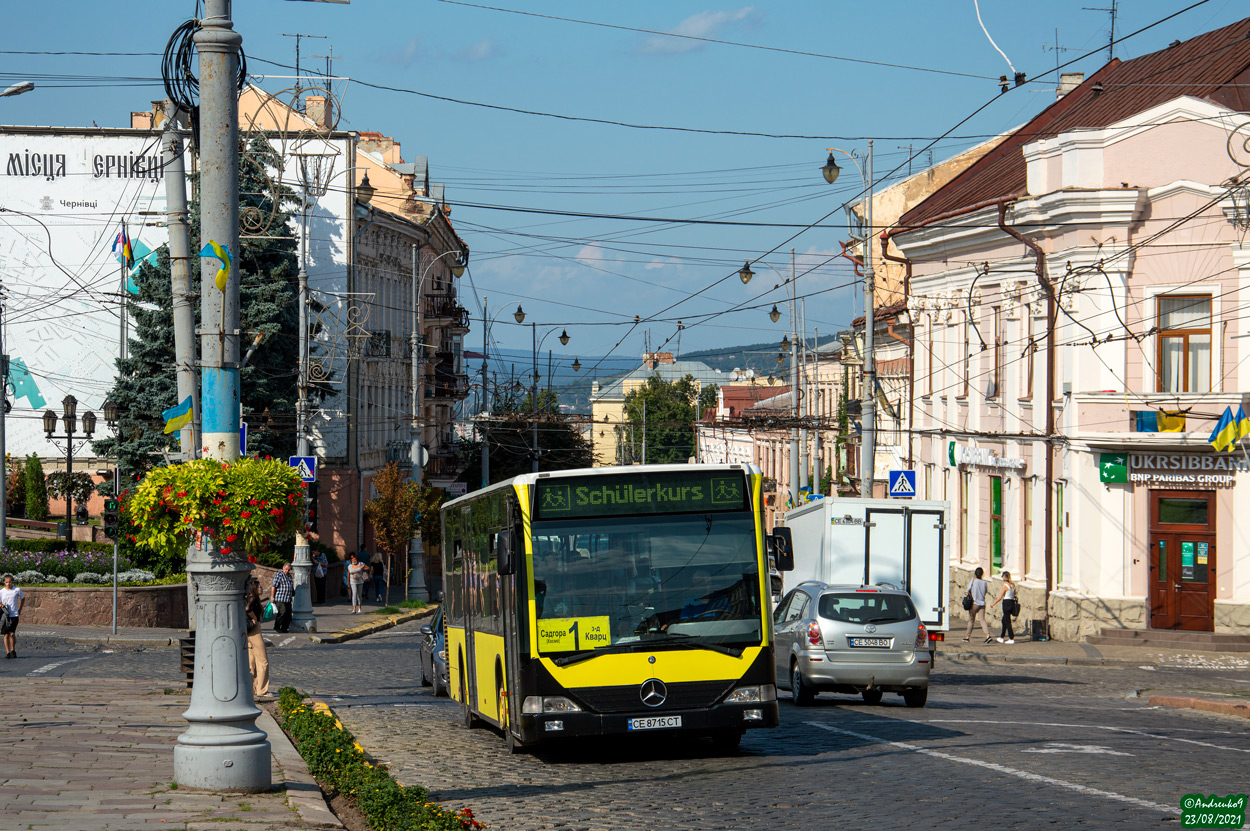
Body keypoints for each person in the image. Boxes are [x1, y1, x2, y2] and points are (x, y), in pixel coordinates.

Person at [244, 577, 270, 699]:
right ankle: (262, 690)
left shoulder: (247, 598)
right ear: (254, 588)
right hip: (254, 630)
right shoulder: (254, 599)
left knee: (251, 661)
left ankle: (253, 689)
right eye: (259, 587)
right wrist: (254, 617)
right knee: (263, 660)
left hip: (247, 631)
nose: (262, 588)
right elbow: (247, 609)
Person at [962, 566, 991, 644]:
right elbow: (985, 592)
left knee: (971, 620)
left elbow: (968, 590)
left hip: (974, 604)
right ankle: (987, 636)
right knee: (982, 620)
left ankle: (967, 637)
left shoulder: (973, 581)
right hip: (982, 603)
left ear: (975, 574)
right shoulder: (984, 582)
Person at [1, 573, 25, 660]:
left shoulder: (17, 590)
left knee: (12, 633)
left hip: (14, 615)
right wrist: (1, 605)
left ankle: (13, 649)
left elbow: (23, 598)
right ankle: (8, 652)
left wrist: (20, 609)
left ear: (13, 582)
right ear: (4, 582)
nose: (8, 584)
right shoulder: (2, 592)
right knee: (6, 634)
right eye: (7, 582)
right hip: (5, 615)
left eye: (10, 582)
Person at [990, 571, 1018, 644]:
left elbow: (1000, 596)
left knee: (1007, 621)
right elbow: (1014, 594)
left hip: (1006, 603)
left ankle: (1011, 638)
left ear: (1004, 577)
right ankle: (1001, 637)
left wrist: (993, 603)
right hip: (1011, 603)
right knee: (1004, 620)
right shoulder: (1013, 585)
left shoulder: (1005, 586)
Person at [270, 562, 294, 633]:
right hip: (280, 598)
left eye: (289, 570)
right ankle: (277, 626)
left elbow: (291, 586)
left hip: (288, 598)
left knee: (288, 614)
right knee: (282, 612)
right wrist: (272, 597)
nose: (287, 571)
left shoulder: (289, 576)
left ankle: (285, 628)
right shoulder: (279, 575)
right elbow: (273, 586)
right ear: (283, 567)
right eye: (286, 569)